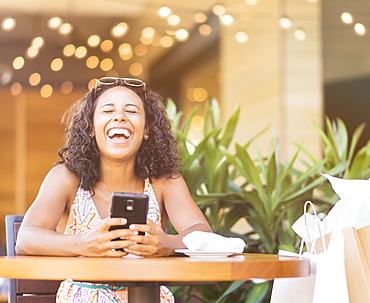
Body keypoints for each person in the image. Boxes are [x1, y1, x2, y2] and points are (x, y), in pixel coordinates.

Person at [16, 77, 212, 303]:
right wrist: (83, 244)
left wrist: (166, 244)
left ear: (146, 129)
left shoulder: (165, 182)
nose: (119, 116)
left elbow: (202, 234)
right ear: (90, 128)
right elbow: (26, 239)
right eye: (108, 110)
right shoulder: (66, 178)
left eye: (132, 110)